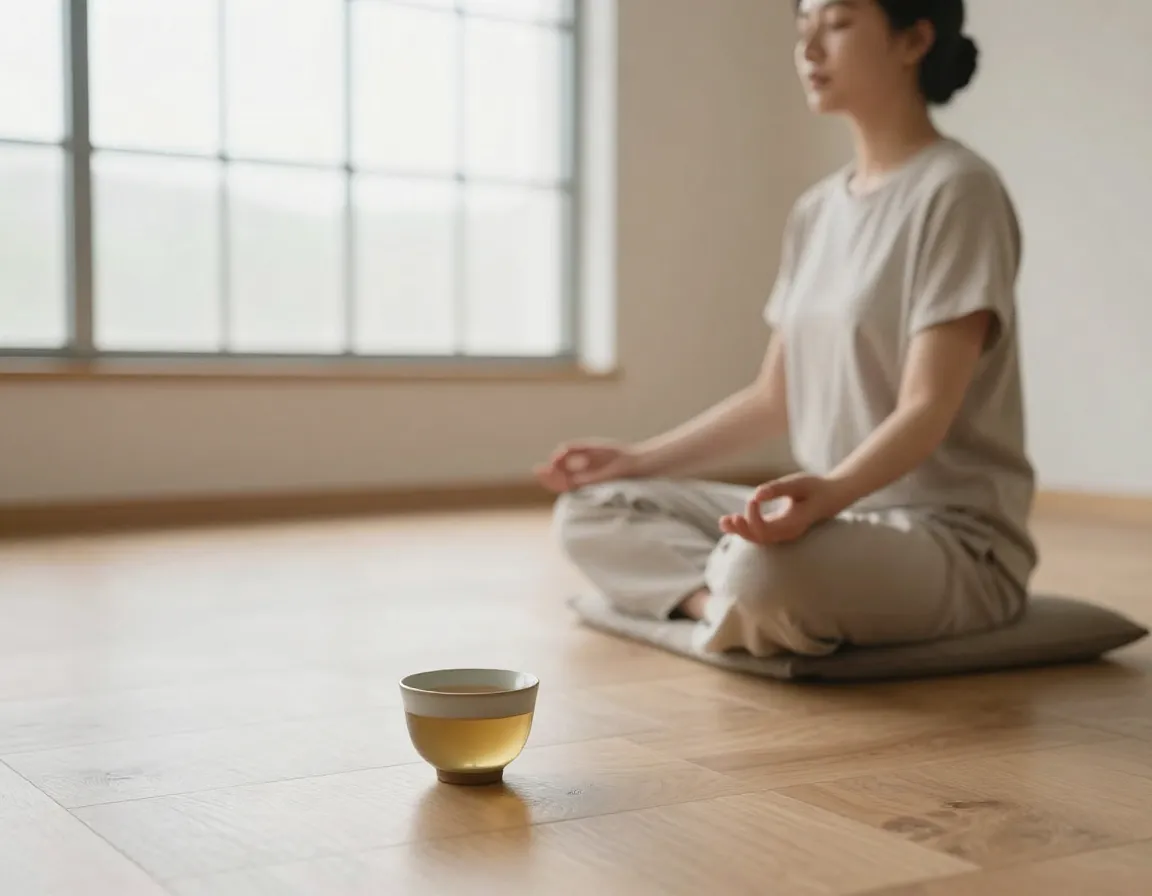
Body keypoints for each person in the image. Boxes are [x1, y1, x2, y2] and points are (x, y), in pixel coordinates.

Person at [534, 0, 1037, 658]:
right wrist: (635, 460)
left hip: (948, 540)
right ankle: (719, 606)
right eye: (803, 29)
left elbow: (927, 407)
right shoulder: (816, 211)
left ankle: (734, 595)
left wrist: (830, 495)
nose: (810, 49)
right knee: (592, 510)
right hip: (832, 516)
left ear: (913, 40)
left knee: (762, 569)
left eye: (837, 23)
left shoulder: (958, 191)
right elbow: (776, 397)